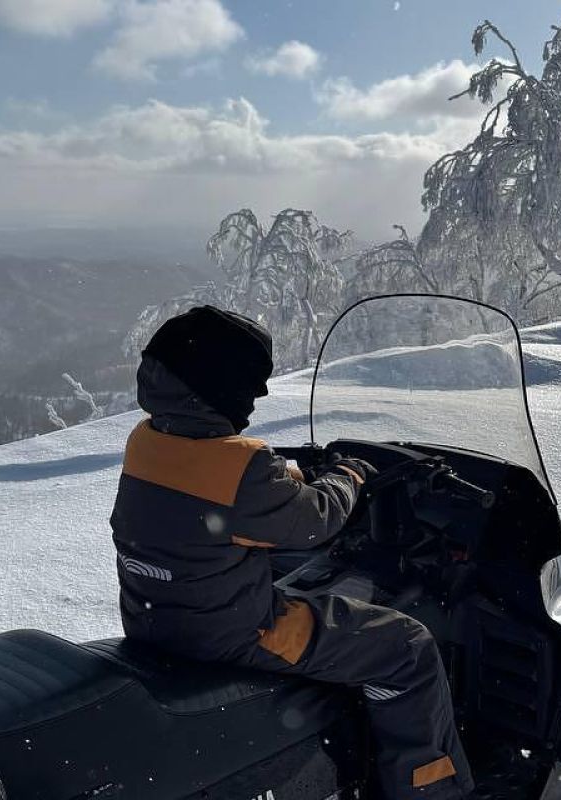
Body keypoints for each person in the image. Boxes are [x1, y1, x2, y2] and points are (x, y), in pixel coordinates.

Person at [110, 305, 474, 800]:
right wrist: (348, 475)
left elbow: (224, 489)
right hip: (231, 635)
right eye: (252, 384)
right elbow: (313, 522)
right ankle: (432, 791)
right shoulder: (240, 468)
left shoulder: (149, 439)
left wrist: (293, 472)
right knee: (405, 647)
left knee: (296, 576)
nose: (257, 399)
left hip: (157, 618)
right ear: (223, 385)